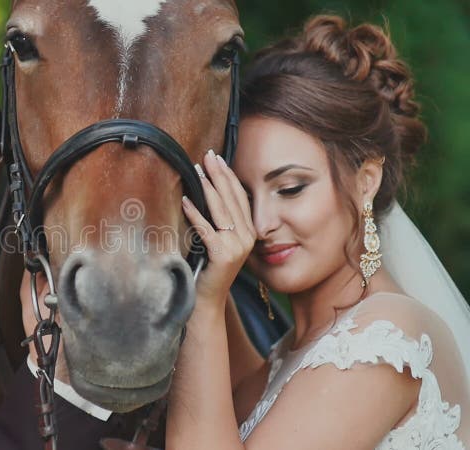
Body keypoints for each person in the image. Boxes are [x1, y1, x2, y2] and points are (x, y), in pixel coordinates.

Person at [168, 15, 470, 449]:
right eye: (243, 197)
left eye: (290, 188)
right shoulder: (283, 358)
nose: (261, 223)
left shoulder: (384, 340)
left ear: (366, 180)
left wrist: (208, 303)